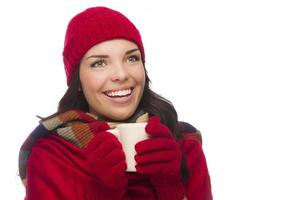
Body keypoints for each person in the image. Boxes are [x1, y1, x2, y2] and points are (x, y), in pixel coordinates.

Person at [18, 6, 212, 200]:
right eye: (99, 63)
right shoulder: (51, 155)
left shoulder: (183, 143)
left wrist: (169, 186)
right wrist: (103, 192)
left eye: (131, 58)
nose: (121, 74)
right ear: (78, 81)